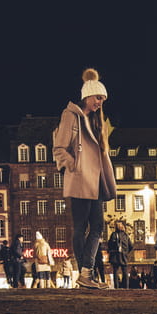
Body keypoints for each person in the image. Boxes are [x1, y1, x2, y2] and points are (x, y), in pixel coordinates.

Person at [54, 68, 118, 289]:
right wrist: (74, 166)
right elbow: (60, 148)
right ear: (87, 96)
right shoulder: (71, 115)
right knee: (80, 227)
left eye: (103, 99)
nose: (101, 102)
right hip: (81, 179)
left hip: (96, 182)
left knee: (98, 227)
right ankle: (85, 275)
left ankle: (85, 273)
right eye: (98, 97)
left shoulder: (96, 122)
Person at [106, 219, 131, 288]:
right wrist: (126, 252)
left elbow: (109, 244)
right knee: (125, 272)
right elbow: (131, 246)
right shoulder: (126, 235)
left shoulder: (113, 234)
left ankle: (116, 287)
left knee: (115, 272)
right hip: (124, 256)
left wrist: (111, 251)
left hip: (115, 256)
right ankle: (126, 287)